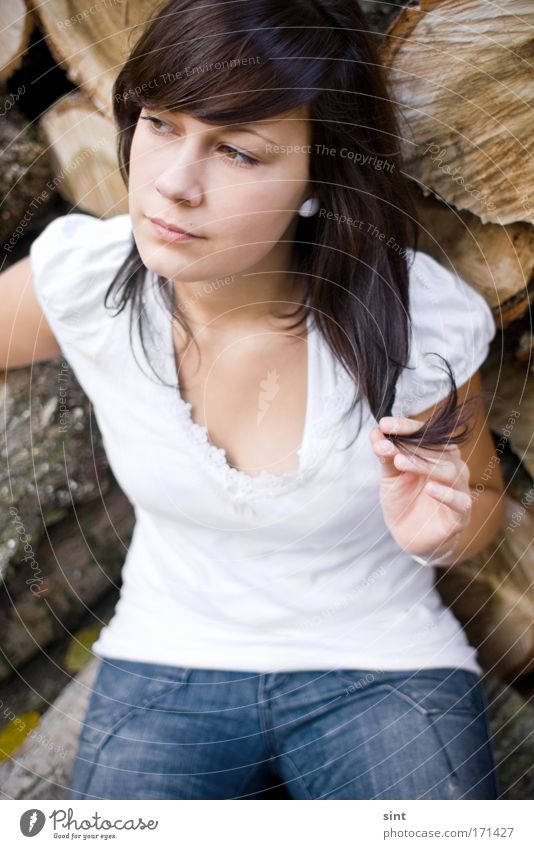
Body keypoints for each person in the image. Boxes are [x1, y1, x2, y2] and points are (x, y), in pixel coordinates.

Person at [1, 0, 504, 800]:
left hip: (377, 659)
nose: (174, 184)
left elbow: (478, 510)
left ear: (318, 181)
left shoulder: (417, 317)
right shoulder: (88, 278)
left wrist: (442, 528)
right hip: (167, 654)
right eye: (161, 124)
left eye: (236, 151)